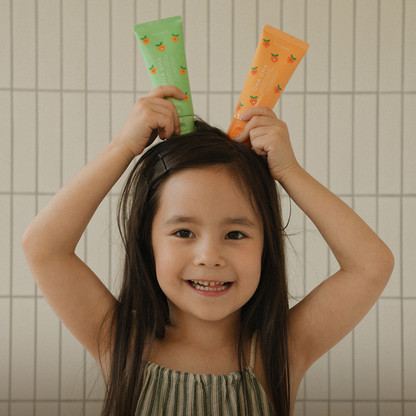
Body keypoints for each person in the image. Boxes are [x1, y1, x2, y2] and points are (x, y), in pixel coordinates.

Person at [22, 85, 394, 416]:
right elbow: (44, 247)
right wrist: (123, 147)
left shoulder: (281, 350)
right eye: (184, 231)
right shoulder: (122, 341)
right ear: (147, 243)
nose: (209, 256)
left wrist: (289, 171)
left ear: (267, 245)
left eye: (235, 234)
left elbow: (370, 265)